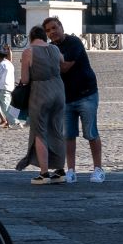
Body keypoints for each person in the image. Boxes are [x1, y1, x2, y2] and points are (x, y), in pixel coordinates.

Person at [45, 16, 104, 183]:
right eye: (48, 30)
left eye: (54, 28)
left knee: (91, 132)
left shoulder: (74, 42)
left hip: (86, 93)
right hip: (66, 97)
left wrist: (46, 64)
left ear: (61, 27)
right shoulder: (50, 48)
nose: (52, 32)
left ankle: (98, 169)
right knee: (68, 135)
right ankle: (70, 170)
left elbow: (64, 67)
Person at [18, 25, 65, 184]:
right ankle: (60, 171)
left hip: (40, 91)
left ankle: (44, 173)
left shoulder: (29, 52)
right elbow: (62, 62)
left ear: (31, 37)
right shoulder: (55, 49)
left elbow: (24, 80)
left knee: (40, 131)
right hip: (58, 90)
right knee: (57, 130)